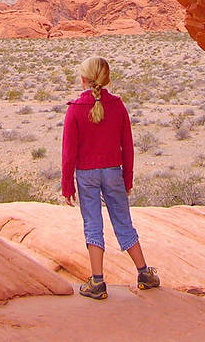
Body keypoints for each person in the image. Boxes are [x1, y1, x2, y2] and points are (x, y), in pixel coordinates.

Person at [61, 56, 160, 299]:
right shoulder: (117, 105)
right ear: (106, 78)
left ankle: (97, 282)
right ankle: (144, 273)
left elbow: (68, 153)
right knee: (123, 222)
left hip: (86, 174)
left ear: (84, 79)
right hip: (113, 171)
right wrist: (127, 178)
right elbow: (128, 145)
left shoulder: (75, 108)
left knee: (93, 224)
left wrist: (67, 186)